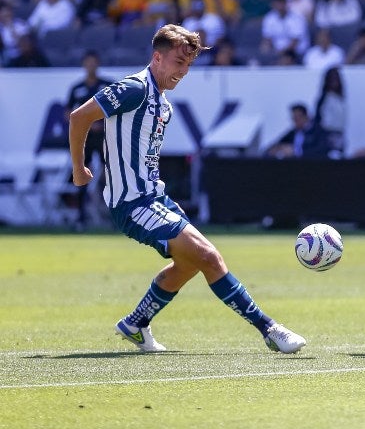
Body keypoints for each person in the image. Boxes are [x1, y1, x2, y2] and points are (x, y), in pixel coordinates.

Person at [68, 24, 306, 354]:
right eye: (179, 62)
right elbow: (79, 118)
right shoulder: (134, 88)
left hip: (154, 198)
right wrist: (79, 169)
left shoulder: (162, 103)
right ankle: (270, 329)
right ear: (157, 57)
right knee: (208, 256)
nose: (184, 71)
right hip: (133, 204)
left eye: (189, 65)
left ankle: (136, 323)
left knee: (190, 263)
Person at [65, 51, 112, 230]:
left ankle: (114, 215)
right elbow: (68, 113)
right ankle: (81, 217)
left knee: (111, 175)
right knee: (81, 174)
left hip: (105, 137)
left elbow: (117, 110)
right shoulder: (77, 88)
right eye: (88, 62)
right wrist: (88, 124)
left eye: (94, 62)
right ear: (84, 65)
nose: (91, 66)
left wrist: (103, 124)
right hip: (85, 138)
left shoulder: (107, 86)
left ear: (98, 64)